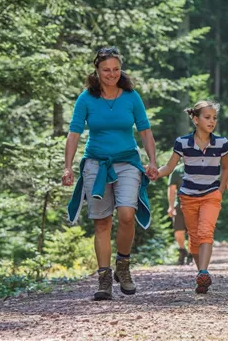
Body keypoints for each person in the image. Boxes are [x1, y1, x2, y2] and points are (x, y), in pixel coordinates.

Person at [62, 47, 157, 301]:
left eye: (116, 69)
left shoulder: (131, 96)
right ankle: (104, 279)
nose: (111, 74)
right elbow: (74, 133)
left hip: (127, 161)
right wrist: (68, 166)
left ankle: (123, 267)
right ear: (97, 70)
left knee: (127, 214)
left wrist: (153, 161)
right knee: (102, 222)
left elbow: (145, 131)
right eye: (106, 70)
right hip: (97, 164)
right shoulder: (86, 98)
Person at [150, 100, 228, 294]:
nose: (212, 121)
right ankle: (201, 277)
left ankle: (203, 271)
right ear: (195, 119)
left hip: (211, 194)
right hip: (187, 196)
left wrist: (219, 190)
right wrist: (155, 173)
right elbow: (169, 167)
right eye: (207, 117)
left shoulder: (221, 143)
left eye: (214, 118)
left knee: (205, 233)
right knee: (194, 238)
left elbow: (227, 168)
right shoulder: (182, 142)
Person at [167, 164, 192, 265]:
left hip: (194, 205)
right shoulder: (177, 170)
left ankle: (191, 254)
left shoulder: (199, 167)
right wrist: (171, 206)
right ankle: (182, 250)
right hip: (180, 204)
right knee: (178, 232)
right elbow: (172, 189)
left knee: (192, 232)